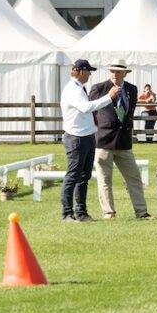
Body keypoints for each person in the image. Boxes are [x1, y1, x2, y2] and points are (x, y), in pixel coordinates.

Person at [89, 60, 151, 220]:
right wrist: (102, 127)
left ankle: (142, 212)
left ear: (125, 73)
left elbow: (128, 113)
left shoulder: (132, 89)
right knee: (104, 180)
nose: (115, 74)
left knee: (134, 178)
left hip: (124, 142)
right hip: (104, 141)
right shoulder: (99, 88)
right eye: (112, 71)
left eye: (118, 71)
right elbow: (91, 111)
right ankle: (109, 212)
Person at [59, 59, 118, 222]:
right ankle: (67, 213)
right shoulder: (73, 89)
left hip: (86, 136)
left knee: (84, 177)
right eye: (88, 71)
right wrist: (109, 97)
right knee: (73, 176)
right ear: (80, 71)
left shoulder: (79, 88)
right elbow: (85, 107)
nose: (90, 74)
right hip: (76, 137)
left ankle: (81, 212)